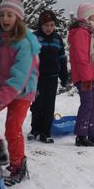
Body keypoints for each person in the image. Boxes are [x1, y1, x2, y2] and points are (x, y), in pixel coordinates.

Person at [0, 0, 40, 186]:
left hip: (21, 92)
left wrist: (0, 99)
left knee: (12, 128)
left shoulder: (24, 44)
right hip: (3, 89)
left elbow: (20, 76)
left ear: (18, 18)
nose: (5, 18)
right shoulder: (1, 40)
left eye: (10, 15)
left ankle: (18, 166)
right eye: (2, 15)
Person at [67, 3, 94, 147]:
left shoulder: (90, 33)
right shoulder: (80, 33)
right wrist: (86, 78)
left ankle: (91, 134)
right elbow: (80, 57)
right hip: (85, 78)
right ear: (88, 16)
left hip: (91, 77)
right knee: (87, 104)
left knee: (91, 105)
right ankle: (81, 136)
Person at [28, 10, 69, 143]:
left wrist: (64, 77)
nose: (49, 28)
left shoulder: (57, 38)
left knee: (49, 105)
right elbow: (28, 58)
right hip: (37, 77)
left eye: (51, 25)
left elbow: (62, 58)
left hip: (52, 77)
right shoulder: (34, 38)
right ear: (41, 25)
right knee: (37, 104)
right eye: (46, 25)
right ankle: (35, 129)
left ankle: (46, 132)